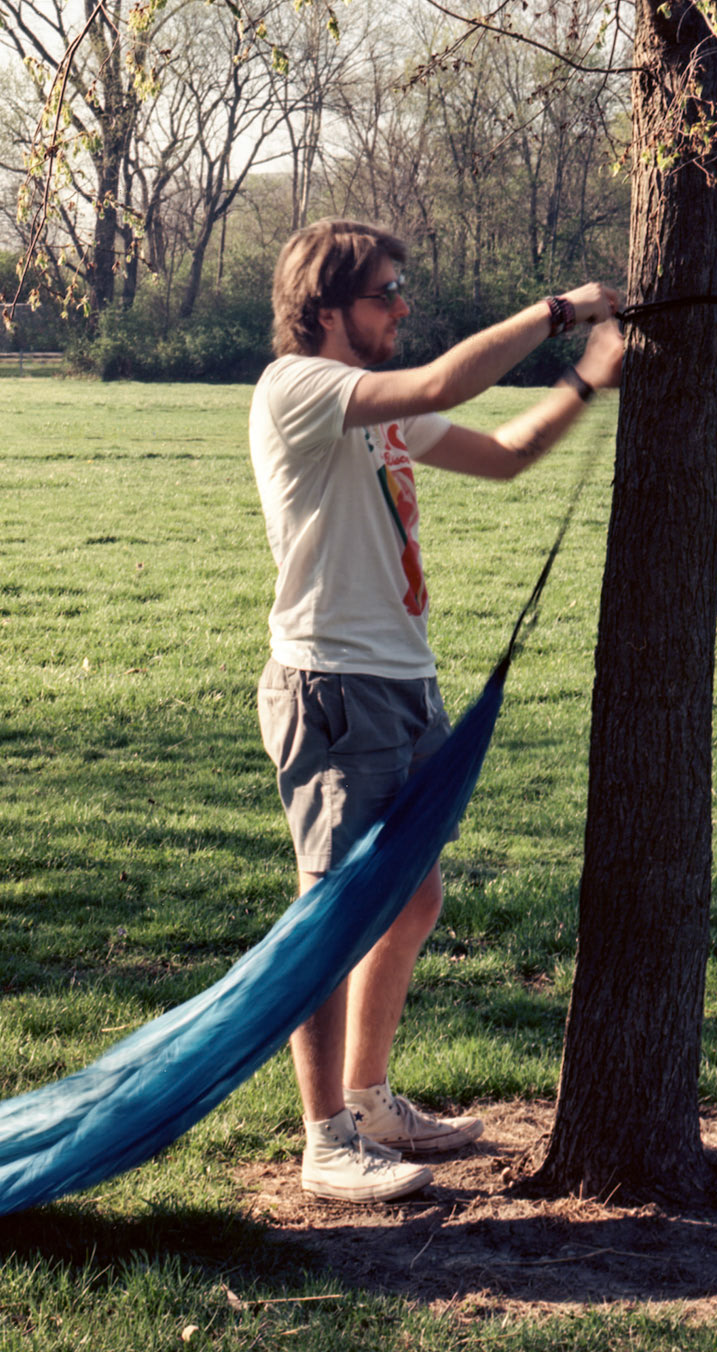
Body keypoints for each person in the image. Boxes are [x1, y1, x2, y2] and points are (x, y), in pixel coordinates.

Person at [249, 219, 624, 1203]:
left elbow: (502, 454)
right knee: (329, 914)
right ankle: (324, 1138)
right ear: (327, 308)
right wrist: (559, 310)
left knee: (410, 898)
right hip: (331, 684)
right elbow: (444, 383)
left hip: (402, 682)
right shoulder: (301, 387)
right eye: (385, 292)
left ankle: (368, 1098)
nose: (402, 306)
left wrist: (587, 377)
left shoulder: (371, 409)